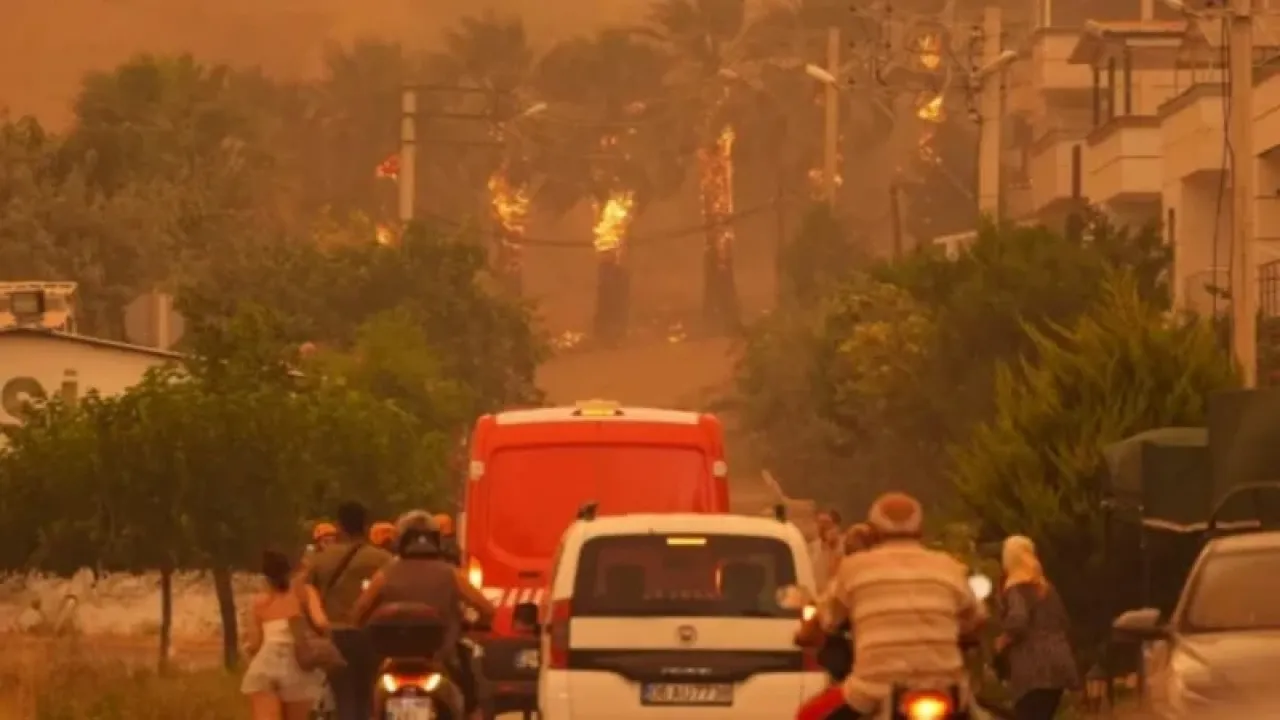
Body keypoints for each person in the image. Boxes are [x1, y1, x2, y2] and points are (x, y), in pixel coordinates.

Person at [797, 493, 986, 720]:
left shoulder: (853, 569)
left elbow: (825, 619)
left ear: (873, 532)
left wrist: (806, 633)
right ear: (921, 531)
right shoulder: (949, 567)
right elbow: (977, 619)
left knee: (807, 715)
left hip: (872, 692)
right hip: (948, 691)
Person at [352, 510, 496, 719]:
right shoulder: (450, 574)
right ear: (436, 540)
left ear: (400, 540)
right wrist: (477, 626)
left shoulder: (386, 573)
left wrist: (365, 627)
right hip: (444, 657)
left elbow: (360, 609)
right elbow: (487, 609)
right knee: (472, 700)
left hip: (392, 659)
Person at [306, 501, 394, 720]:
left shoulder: (320, 559)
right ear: (366, 526)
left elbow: (304, 593)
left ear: (339, 526)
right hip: (371, 635)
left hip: (335, 636)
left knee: (343, 694)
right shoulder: (382, 559)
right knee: (369, 692)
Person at [997, 535, 1078, 720]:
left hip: (1032, 671)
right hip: (1059, 666)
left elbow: (1018, 621)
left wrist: (1003, 640)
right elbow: (1064, 622)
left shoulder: (1016, 588)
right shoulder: (1047, 588)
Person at [242, 549, 329, 720]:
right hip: (297, 667)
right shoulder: (305, 593)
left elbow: (255, 644)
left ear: (266, 578)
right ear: (290, 570)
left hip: (265, 666)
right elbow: (322, 623)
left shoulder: (260, 602)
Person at [795, 523, 878, 686]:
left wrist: (806, 631)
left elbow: (828, 617)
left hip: (864, 664)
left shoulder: (847, 575)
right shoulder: (898, 573)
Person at [810, 508, 844, 591]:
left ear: (836, 526)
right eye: (819, 522)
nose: (822, 527)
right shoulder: (812, 547)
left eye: (826, 523)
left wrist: (831, 547)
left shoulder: (845, 546)